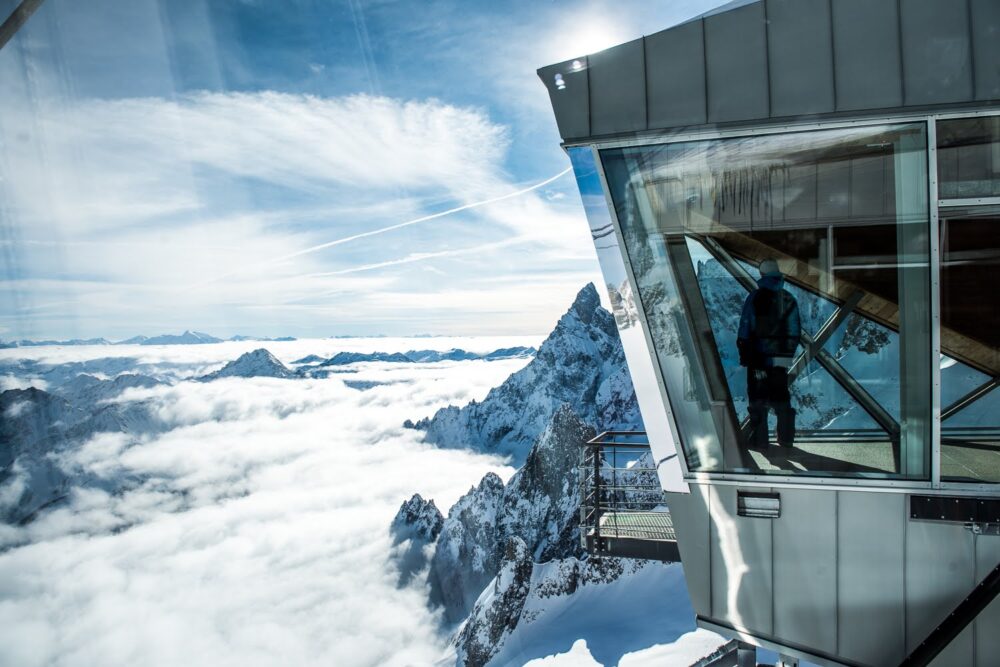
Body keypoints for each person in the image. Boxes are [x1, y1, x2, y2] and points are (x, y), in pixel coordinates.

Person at [737, 259, 801, 449]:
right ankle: (786, 439)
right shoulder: (789, 298)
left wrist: (745, 351)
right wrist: (786, 353)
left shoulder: (755, 297)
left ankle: (760, 440)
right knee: (781, 398)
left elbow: (745, 326)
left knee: (758, 399)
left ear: (762, 275)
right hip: (780, 359)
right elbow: (795, 330)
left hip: (758, 358)